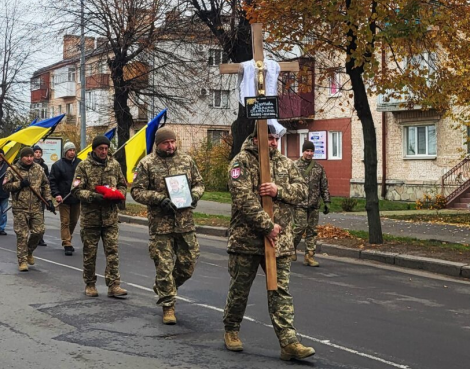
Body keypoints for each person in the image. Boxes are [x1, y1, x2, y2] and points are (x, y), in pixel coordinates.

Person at [222, 123, 315, 361]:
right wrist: (267, 226)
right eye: (268, 137)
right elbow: (244, 200)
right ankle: (231, 329)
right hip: (247, 241)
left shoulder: (285, 163)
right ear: (255, 138)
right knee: (240, 290)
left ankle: (288, 342)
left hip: (279, 242)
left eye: (275, 138)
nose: (273, 142)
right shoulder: (240, 162)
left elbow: (303, 191)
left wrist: (278, 191)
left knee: (280, 292)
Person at [131, 128, 205, 325]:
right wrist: (158, 199)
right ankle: (168, 306)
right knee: (164, 266)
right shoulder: (147, 163)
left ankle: (164, 286)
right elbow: (137, 191)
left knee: (188, 264)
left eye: (173, 142)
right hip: (161, 225)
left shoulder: (186, 161)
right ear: (158, 144)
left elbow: (199, 183)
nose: (171, 146)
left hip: (185, 222)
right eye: (166, 143)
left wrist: (194, 195)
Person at [71, 135, 128, 298]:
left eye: (106, 148)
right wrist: (92, 196)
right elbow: (75, 190)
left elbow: (123, 184)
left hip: (110, 217)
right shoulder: (83, 166)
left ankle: (114, 285)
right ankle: (90, 283)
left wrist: (118, 195)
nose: (104, 151)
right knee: (90, 253)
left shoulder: (114, 165)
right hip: (91, 218)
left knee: (113, 252)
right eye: (100, 149)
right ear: (94, 150)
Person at [3, 147, 52, 272]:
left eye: (31, 156)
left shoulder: (39, 169)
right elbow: (5, 186)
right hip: (20, 207)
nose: (30, 158)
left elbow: (45, 185)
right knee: (22, 235)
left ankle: (29, 251)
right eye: (27, 156)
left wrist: (49, 200)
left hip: (36, 206)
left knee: (39, 231)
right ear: (21, 157)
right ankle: (22, 260)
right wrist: (19, 184)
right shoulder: (12, 169)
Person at [292, 140, 331, 267]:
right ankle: (291, 248)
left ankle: (309, 256)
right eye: (307, 151)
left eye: (311, 151)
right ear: (303, 151)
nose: (309, 153)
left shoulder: (318, 168)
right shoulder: (294, 166)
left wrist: (327, 201)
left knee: (312, 230)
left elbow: (324, 186)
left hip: (314, 204)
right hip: (299, 203)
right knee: (300, 227)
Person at [49, 142, 81, 256]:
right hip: (64, 198)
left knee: (74, 221)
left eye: (73, 150)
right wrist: (56, 194)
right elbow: (52, 181)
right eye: (70, 150)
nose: (72, 152)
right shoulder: (58, 165)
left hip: (77, 198)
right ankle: (66, 243)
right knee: (65, 221)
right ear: (65, 152)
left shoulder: (80, 164)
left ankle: (68, 238)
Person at [33, 145, 50, 247]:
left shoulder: (44, 167)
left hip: (40, 196)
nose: (38, 154)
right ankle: (31, 236)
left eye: (40, 152)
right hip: (30, 196)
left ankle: (40, 238)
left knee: (40, 217)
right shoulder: (29, 164)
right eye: (36, 152)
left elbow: (46, 181)